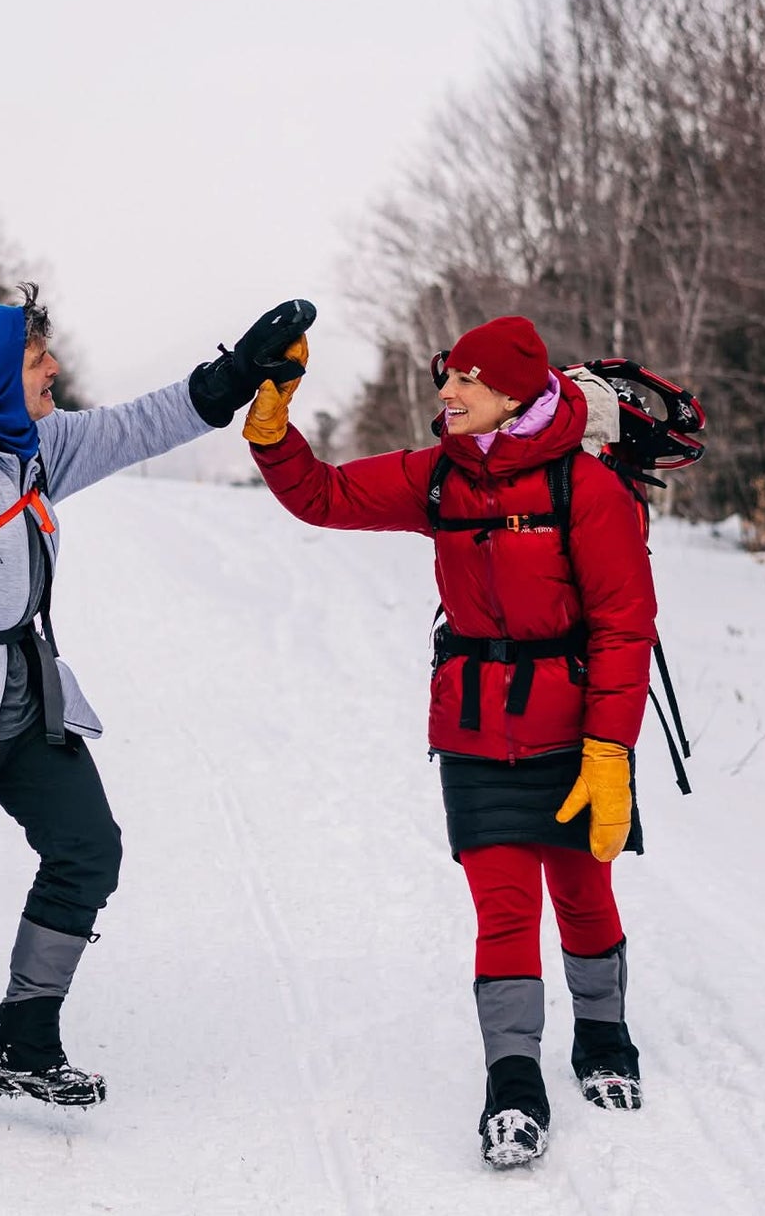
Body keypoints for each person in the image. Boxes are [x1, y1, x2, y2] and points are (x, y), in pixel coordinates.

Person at [0, 283, 315, 1162]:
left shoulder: (24, 442)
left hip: (22, 692)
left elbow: (137, 425)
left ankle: (21, 1037)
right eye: (36, 360)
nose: (53, 369)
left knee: (87, 847)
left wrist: (236, 373)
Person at [241, 315, 654, 1169]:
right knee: (503, 907)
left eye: (465, 380)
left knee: (581, 893)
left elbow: (623, 626)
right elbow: (321, 495)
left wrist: (609, 750)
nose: (446, 393)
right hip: (472, 728)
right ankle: (513, 1086)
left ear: (512, 395)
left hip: (575, 733)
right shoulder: (439, 476)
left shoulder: (587, 490)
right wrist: (273, 425)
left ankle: (604, 1036)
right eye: (448, 376)